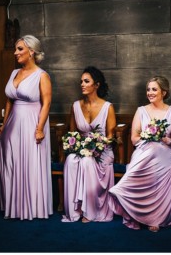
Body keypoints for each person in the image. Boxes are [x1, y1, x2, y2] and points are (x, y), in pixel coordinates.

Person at [109, 75, 171, 232]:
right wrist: (149, 135)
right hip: (145, 149)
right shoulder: (141, 111)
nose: (150, 92)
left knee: (154, 150)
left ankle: (155, 218)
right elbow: (134, 139)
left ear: (164, 92)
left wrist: (166, 140)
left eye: (154, 89)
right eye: (148, 89)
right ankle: (135, 210)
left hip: (167, 153)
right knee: (150, 150)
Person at [0, 35, 53, 220]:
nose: (15, 53)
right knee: (11, 162)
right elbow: (9, 100)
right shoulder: (14, 73)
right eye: (16, 49)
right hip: (12, 125)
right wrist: (3, 125)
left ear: (31, 52)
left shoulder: (42, 76)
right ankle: (14, 206)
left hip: (31, 123)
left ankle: (32, 207)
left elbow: (46, 104)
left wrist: (39, 128)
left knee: (29, 162)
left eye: (20, 49)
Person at [62, 66, 116, 223]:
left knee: (87, 162)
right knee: (71, 160)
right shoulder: (75, 106)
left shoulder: (108, 107)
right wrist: (75, 146)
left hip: (102, 150)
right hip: (82, 148)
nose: (82, 84)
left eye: (86, 81)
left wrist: (97, 145)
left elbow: (111, 137)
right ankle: (74, 210)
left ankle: (89, 211)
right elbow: (72, 134)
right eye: (81, 82)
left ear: (96, 85)